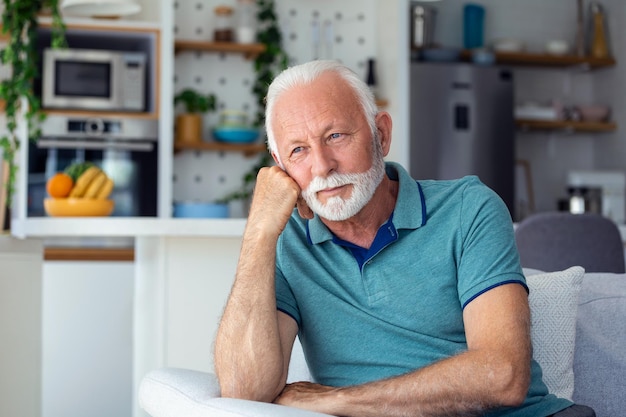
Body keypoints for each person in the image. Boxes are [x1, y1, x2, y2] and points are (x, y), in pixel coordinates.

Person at [214, 60, 592, 417]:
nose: (322, 166)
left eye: (336, 136)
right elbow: (244, 391)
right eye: (298, 150)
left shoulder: (468, 208)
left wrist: (339, 400)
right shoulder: (286, 242)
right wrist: (259, 231)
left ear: (381, 134)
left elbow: (504, 376)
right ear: (279, 167)